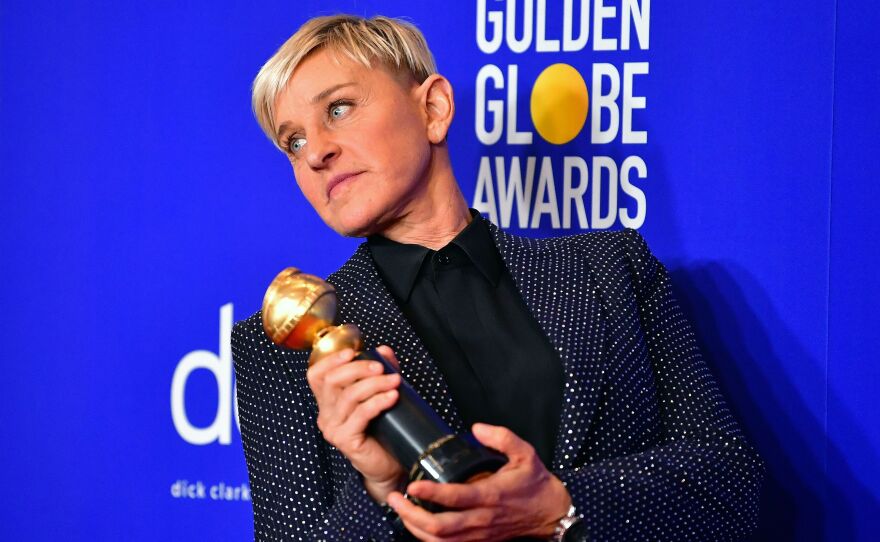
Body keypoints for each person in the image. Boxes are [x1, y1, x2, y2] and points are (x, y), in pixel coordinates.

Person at [232, 14, 764, 542]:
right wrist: (378, 485)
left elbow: (731, 482)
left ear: (433, 109)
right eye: (294, 142)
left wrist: (559, 507)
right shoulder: (277, 347)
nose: (317, 152)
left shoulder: (612, 269)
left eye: (339, 108)